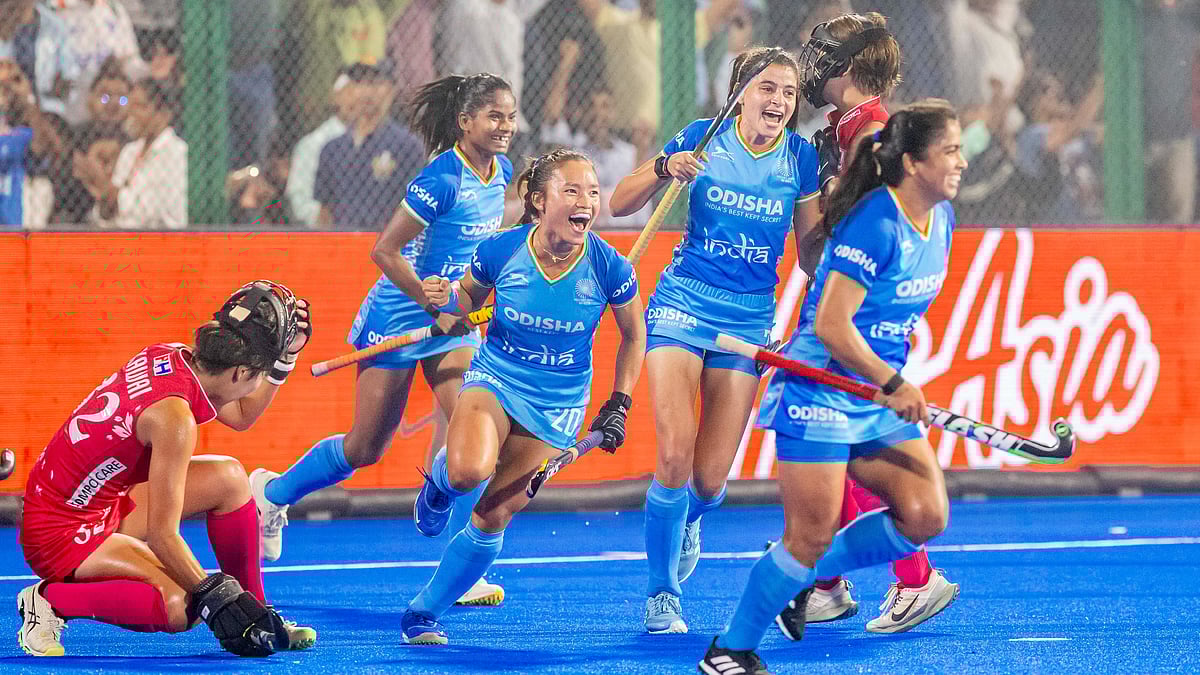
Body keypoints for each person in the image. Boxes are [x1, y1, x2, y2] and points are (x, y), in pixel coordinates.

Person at [698, 100, 966, 674]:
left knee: (925, 514)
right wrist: (892, 380)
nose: (961, 162)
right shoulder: (876, 221)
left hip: (873, 395)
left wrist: (888, 381)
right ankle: (730, 648)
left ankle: (801, 577)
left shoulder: (940, 218)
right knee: (807, 535)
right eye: (950, 150)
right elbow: (830, 325)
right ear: (914, 163)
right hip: (821, 393)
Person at [250, 72, 517, 606]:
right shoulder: (441, 178)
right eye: (494, 116)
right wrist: (428, 298)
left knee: (469, 423)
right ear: (465, 123)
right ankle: (270, 494)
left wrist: (471, 297)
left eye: (510, 117)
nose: (505, 127)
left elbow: (480, 249)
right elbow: (384, 251)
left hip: (450, 323)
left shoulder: (501, 171)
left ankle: (456, 556)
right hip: (399, 316)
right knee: (366, 447)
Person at [609, 47, 822, 635]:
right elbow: (618, 202)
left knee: (707, 481)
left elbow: (810, 253)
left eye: (788, 91)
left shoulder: (800, 158)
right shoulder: (703, 138)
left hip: (748, 321)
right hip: (682, 305)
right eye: (766, 88)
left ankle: (687, 519)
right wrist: (663, 168)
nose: (779, 101)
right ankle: (661, 593)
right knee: (674, 454)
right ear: (739, 94)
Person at [399, 148, 646, 645]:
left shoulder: (611, 267)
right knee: (469, 470)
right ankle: (441, 483)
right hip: (496, 379)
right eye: (572, 190)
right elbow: (464, 304)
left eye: (593, 192)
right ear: (539, 201)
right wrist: (444, 302)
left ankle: (423, 612)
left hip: (558, 405)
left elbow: (634, 336)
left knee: (494, 513)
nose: (587, 202)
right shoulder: (502, 250)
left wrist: (619, 402)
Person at [17, 280, 317, 658]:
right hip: (61, 532)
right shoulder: (174, 419)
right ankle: (48, 600)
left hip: (95, 503)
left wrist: (284, 359)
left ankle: (255, 611)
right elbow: (163, 536)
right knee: (181, 606)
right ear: (241, 373)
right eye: (261, 373)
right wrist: (216, 597)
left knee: (230, 479)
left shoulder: (175, 357)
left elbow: (241, 417)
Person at [796, 12, 960, 633]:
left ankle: (912, 578)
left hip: (856, 318)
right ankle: (830, 583)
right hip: (859, 313)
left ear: (848, 67)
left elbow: (836, 247)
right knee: (830, 446)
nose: (811, 65)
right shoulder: (852, 129)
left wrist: (815, 194)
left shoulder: (870, 133)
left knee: (840, 442)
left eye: (821, 54)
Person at [312, 62, 423, 229]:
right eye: (359, 83)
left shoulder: (407, 146)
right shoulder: (332, 149)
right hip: (341, 244)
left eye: (375, 83)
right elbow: (324, 212)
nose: (367, 91)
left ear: (391, 91)